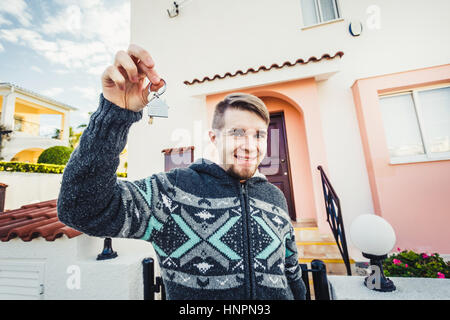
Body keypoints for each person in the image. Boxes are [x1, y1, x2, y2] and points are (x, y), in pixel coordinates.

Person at [57, 44, 306, 300]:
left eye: (259, 135)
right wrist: (114, 114)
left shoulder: (275, 198)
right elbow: (81, 208)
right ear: (214, 138)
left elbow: (292, 274)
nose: (250, 145)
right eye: (237, 132)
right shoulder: (173, 191)